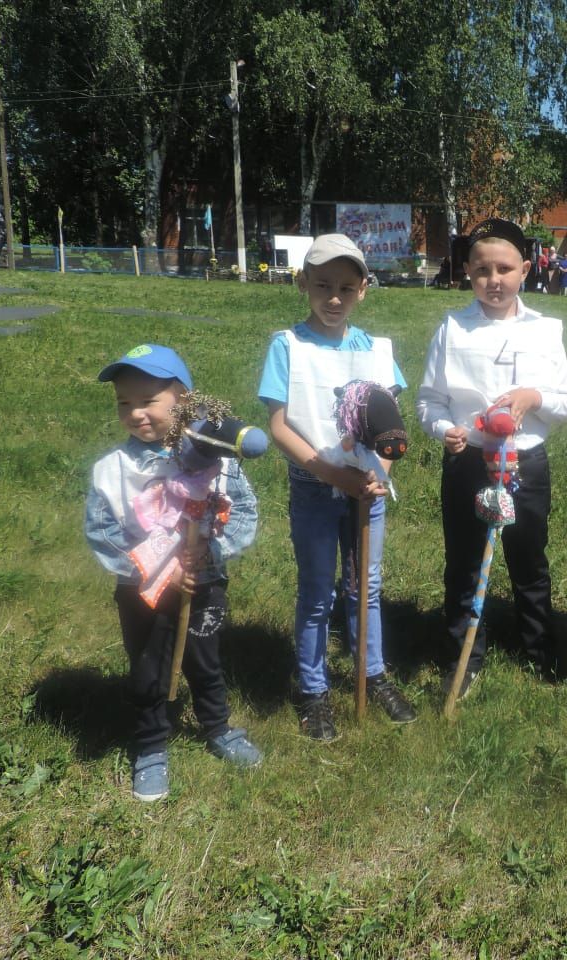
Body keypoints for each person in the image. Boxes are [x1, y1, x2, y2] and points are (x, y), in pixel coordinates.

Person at [86, 344, 261, 802]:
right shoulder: (113, 470)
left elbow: (241, 511)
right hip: (141, 594)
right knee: (148, 668)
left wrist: (206, 555)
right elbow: (103, 533)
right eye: (125, 402)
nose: (136, 412)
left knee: (204, 660)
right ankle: (150, 747)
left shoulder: (215, 459)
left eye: (148, 401)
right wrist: (158, 569)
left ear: (183, 401)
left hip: (202, 586)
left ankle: (217, 726)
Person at [258, 234, 416, 741]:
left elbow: (392, 424)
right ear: (303, 283)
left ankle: (372, 673)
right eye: (322, 285)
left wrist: (377, 477)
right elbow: (280, 427)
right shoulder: (289, 346)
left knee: (364, 586)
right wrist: (332, 475)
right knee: (317, 589)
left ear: (363, 291)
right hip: (314, 487)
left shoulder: (374, 351)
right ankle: (313, 688)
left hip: (367, 491)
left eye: (346, 288)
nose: (333, 298)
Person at [416, 218, 567, 696]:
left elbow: (566, 400)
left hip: (525, 462)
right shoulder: (452, 327)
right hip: (469, 462)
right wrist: (447, 430)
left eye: (505, 268)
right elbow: (429, 400)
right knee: (464, 560)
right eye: (482, 269)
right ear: (467, 270)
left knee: (529, 558)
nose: (494, 279)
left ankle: (539, 647)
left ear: (525, 270)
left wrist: (534, 397)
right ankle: (464, 654)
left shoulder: (546, 330)